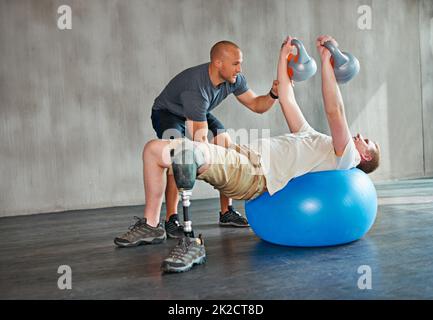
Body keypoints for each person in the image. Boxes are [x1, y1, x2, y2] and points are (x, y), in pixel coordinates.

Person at [116, 35, 381, 273]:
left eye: (366, 141)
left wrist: (327, 62)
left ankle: (190, 241)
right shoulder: (312, 137)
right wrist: (283, 57)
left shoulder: (344, 157)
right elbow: (286, 98)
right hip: (244, 155)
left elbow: (335, 111)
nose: (359, 136)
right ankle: (152, 224)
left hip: (252, 173)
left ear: (364, 157)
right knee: (153, 150)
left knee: (189, 151)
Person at [115, 40, 279, 244]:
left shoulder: (234, 79)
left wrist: (274, 94)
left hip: (198, 111)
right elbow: (199, 142)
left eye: (240, 63)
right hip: (169, 113)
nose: (240, 68)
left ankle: (226, 211)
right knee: (181, 156)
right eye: (236, 63)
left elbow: (257, 105)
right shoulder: (196, 88)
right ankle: (171, 219)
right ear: (219, 63)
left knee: (224, 145)